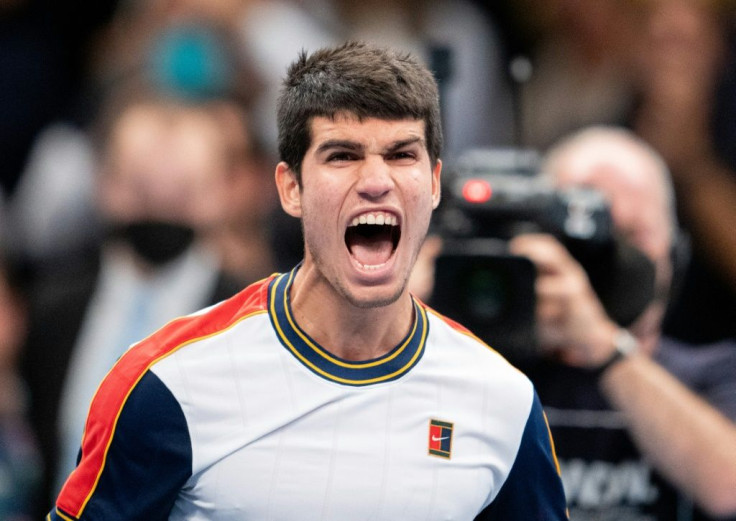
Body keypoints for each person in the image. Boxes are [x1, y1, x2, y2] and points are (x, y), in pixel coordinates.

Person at [46, 41, 567, 520]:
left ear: (433, 183)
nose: (377, 182)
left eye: (401, 154)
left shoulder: (501, 400)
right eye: (343, 155)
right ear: (290, 187)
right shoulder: (166, 381)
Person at [22, 87, 246, 514]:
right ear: (105, 181)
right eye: (141, 190)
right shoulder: (53, 307)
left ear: (221, 191)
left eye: (183, 193)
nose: (161, 208)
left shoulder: (247, 317)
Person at [507, 127, 736, 520]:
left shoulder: (714, 374)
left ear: (675, 257)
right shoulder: (491, 372)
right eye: (583, 236)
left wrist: (601, 343)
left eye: (632, 236)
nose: (608, 259)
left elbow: (728, 488)